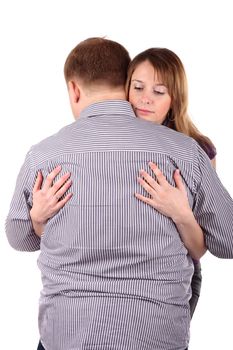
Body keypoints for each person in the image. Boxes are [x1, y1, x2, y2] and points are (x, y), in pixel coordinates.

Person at [5, 38, 233, 350]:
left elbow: (19, 239)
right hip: (156, 334)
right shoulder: (186, 152)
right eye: (138, 88)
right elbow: (228, 240)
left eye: (159, 91)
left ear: (74, 89)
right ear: (124, 84)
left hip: (68, 334)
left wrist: (35, 219)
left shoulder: (44, 156)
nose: (146, 99)